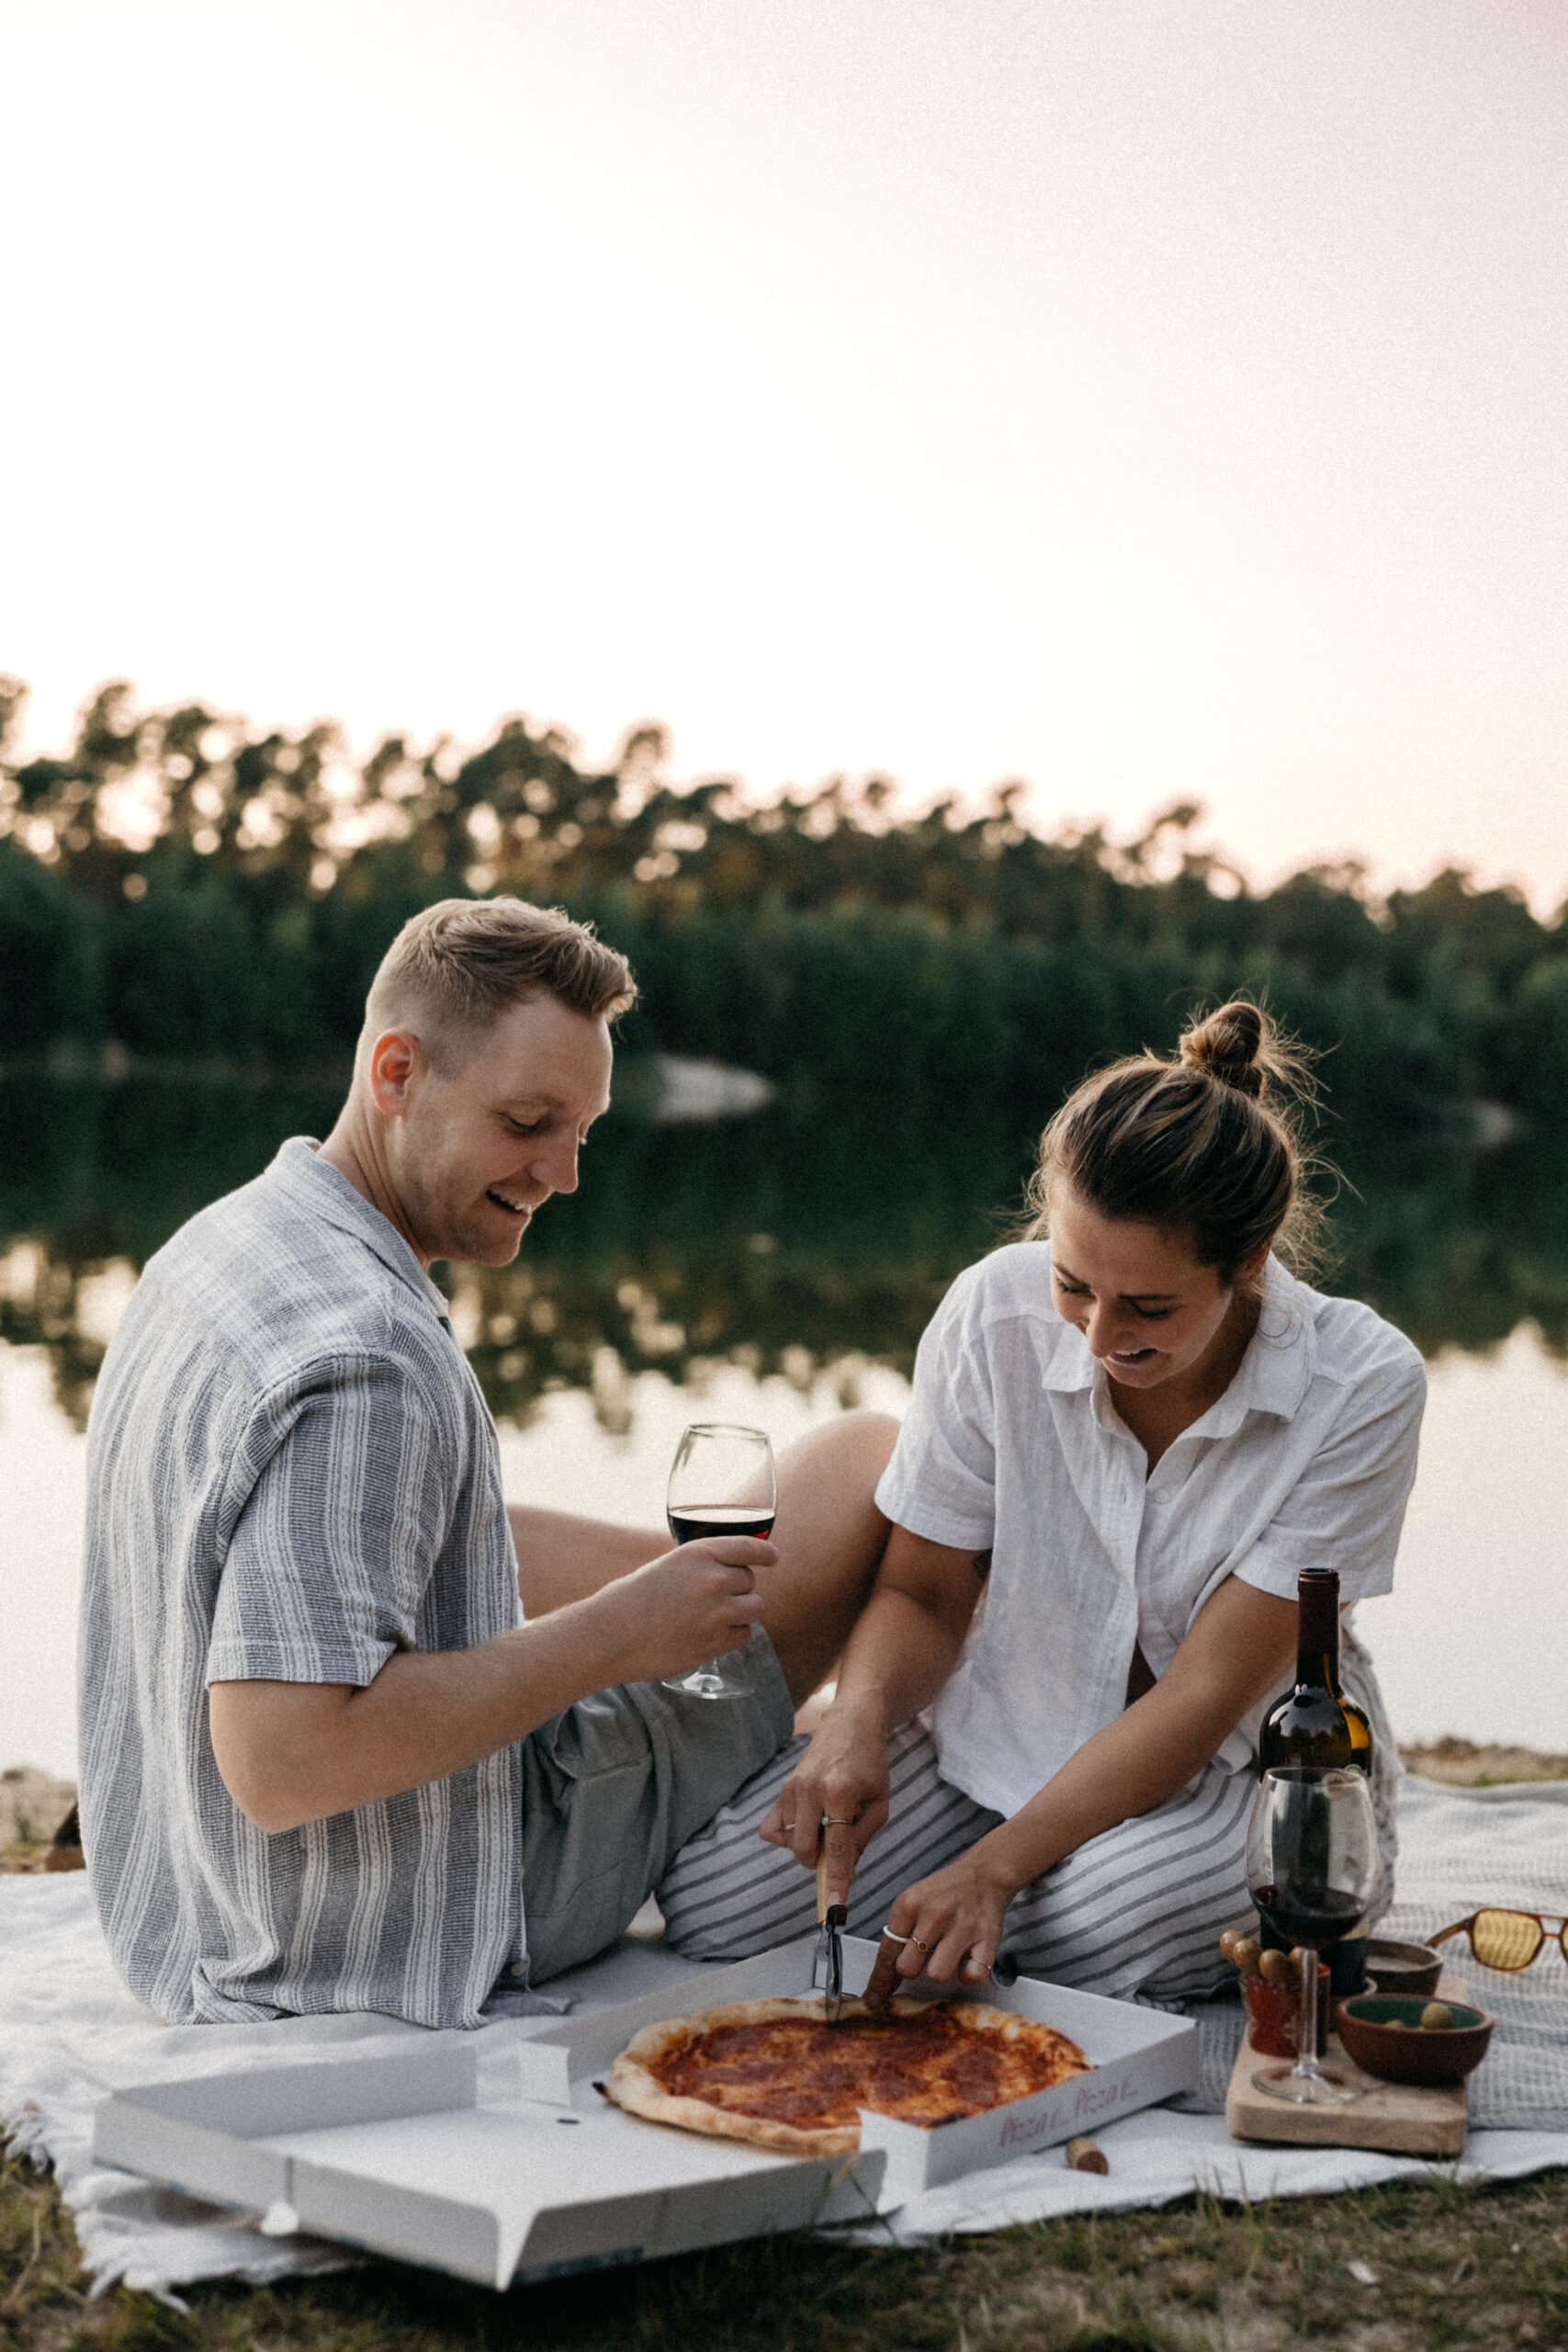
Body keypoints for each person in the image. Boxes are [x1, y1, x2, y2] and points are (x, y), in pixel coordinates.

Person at [78, 897, 894, 2026]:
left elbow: (389, 1541)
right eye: (526, 1122)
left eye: (583, 1131)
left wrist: (670, 1582)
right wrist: (620, 1635)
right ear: (397, 1072)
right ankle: (846, 1723)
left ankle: (810, 1705)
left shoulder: (221, 1247)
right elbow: (284, 1761)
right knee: (867, 1464)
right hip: (403, 1919)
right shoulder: (372, 1353)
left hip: (192, 1902)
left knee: (803, 1535)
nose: (563, 1173)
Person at [655, 1003, 1426, 2007]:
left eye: (1148, 1306)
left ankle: (1316, 1870)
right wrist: (855, 1722)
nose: (1098, 1337)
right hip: (1018, 1708)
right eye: (1073, 1284)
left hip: (1244, 1760)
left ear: (1249, 1260)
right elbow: (924, 1593)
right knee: (719, 1905)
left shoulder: (1362, 1385)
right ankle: (984, 1916)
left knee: (1098, 1927)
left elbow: (1200, 1700)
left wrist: (992, 1871)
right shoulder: (993, 1312)